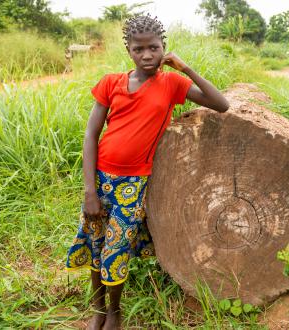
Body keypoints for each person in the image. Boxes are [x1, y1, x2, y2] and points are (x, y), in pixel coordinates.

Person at [65, 14, 229, 330]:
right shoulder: (110, 82)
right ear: (129, 50)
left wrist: (186, 68)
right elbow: (90, 135)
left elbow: (220, 104)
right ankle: (98, 310)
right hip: (100, 179)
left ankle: (114, 311)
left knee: (117, 249)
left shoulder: (171, 84)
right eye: (139, 49)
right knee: (96, 245)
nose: (147, 55)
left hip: (134, 183)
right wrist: (89, 190)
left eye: (153, 48)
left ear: (164, 47)